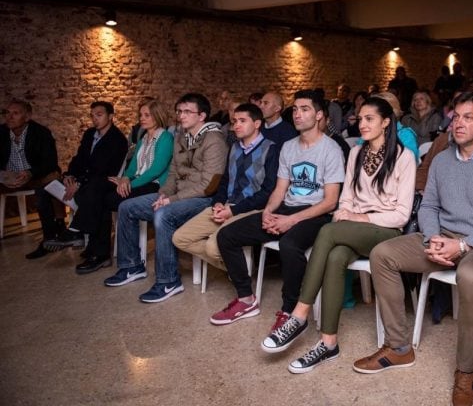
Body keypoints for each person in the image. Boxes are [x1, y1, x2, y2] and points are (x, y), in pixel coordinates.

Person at [352, 92, 473, 406]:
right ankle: (399, 347)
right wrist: (432, 237)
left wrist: (463, 244)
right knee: (383, 254)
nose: (457, 123)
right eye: (455, 116)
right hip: (442, 236)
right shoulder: (442, 159)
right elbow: (428, 205)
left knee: (471, 275)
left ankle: (466, 370)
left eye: (468, 117)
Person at [260, 96, 416, 373]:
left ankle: (299, 314)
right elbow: (345, 199)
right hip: (355, 229)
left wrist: (357, 216)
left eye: (370, 119)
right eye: (360, 118)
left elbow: (402, 215)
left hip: (386, 231)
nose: (362, 124)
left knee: (329, 230)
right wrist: (346, 211)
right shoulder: (356, 152)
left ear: (386, 122)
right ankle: (328, 343)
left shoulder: (403, 157)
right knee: (334, 257)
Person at [211, 89, 345, 329]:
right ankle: (246, 298)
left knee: (289, 244)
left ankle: (290, 310)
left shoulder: (331, 149)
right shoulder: (289, 147)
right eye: (295, 109)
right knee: (227, 235)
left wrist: (290, 221)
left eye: (305, 109)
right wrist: (268, 213)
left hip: (316, 214)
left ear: (318, 115)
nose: (297, 114)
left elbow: (330, 201)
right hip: (287, 207)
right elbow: (280, 189)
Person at [104, 93, 228, 303]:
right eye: (179, 111)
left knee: (163, 215)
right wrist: (163, 194)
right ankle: (131, 266)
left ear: (202, 115)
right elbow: (172, 174)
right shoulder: (181, 136)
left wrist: (172, 200)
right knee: (127, 206)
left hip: (202, 199)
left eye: (187, 111)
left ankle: (169, 281)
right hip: (177, 195)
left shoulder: (214, 139)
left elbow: (209, 185)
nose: (181, 115)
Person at [172, 103, 278, 271]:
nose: (236, 125)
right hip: (226, 206)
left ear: (257, 124)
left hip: (252, 210)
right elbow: (225, 181)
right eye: (235, 121)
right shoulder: (234, 147)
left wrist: (233, 211)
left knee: (213, 248)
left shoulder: (271, 149)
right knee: (180, 238)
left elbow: (268, 192)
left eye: (242, 121)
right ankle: (239, 268)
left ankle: (238, 270)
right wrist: (219, 203)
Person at [73, 99, 173, 273]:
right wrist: (125, 179)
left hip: (154, 185)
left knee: (106, 199)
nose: (142, 118)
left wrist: (130, 183)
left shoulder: (165, 137)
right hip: (136, 180)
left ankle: (94, 247)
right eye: (141, 115)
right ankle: (93, 247)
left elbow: (156, 170)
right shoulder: (143, 138)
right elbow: (132, 166)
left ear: (158, 116)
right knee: (98, 185)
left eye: (147, 115)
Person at [44, 101, 128, 250]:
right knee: (49, 184)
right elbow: (79, 158)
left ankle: (76, 232)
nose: (95, 119)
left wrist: (79, 183)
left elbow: (104, 170)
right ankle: (55, 232)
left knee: (91, 191)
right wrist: (69, 175)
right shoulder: (90, 134)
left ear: (111, 116)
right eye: (92, 115)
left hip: (103, 181)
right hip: (85, 180)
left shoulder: (117, 139)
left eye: (99, 115)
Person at [0, 99, 62, 259]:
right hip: (9, 177)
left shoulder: (41, 133)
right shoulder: (1, 133)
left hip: (35, 175)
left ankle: (49, 238)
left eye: (15, 113)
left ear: (27, 117)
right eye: (7, 113)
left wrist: (30, 172)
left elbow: (50, 163)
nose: (10, 117)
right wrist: (4, 176)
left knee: (46, 189)